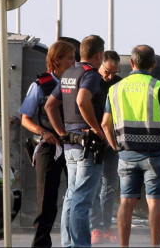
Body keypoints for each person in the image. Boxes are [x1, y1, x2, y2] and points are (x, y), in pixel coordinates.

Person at [102, 45, 160, 247]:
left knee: (126, 203)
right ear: (153, 64)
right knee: (155, 203)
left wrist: (115, 148)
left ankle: (124, 245)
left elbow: (104, 124)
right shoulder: (159, 87)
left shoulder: (115, 89)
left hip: (126, 155)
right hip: (155, 155)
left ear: (133, 63)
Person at [45, 34, 106, 247]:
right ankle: (80, 245)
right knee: (82, 200)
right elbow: (82, 100)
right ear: (99, 54)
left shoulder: (69, 73)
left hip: (70, 144)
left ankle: (68, 243)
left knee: (71, 197)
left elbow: (50, 106)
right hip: (88, 146)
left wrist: (62, 133)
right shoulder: (91, 74)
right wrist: (97, 130)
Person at [19, 40, 76, 247]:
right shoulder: (39, 85)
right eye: (70, 58)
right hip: (49, 147)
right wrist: (43, 133)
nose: (74, 62)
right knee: (47, 201)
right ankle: (41, 243)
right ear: (56, 60)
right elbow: (25, 118)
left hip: (73, 145)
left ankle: (73, 241)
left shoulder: (76, 83)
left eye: (74, 57)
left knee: (76, 196)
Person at [89, 51, 121, 244]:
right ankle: (95, 227)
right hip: (93, 138)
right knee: (94, 184)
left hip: (112, 141)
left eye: (113, 73)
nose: (109, 76)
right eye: (107, 72)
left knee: (110, 184)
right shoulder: (91, 80)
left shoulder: (119, 83)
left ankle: (107, 225)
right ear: (99, 64)